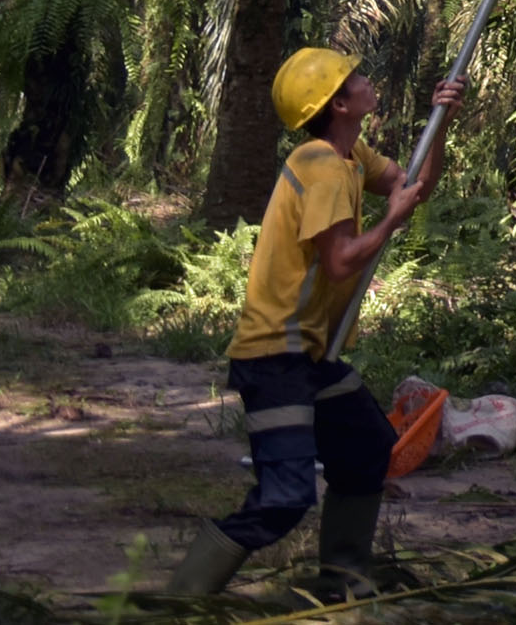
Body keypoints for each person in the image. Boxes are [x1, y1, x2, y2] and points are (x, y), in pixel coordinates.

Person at [166, 50, 462, 596]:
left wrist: (440, 121)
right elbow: (342, 260)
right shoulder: (322, 168)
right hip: (275, 356)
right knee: (284, 498)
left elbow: (415, 183)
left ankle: (343, 582)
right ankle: (182, 599)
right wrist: (391, 219)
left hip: (311, 355)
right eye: (353, 77)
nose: (366, 77)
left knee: (368, 448)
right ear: (340, 103)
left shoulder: (349, 156)